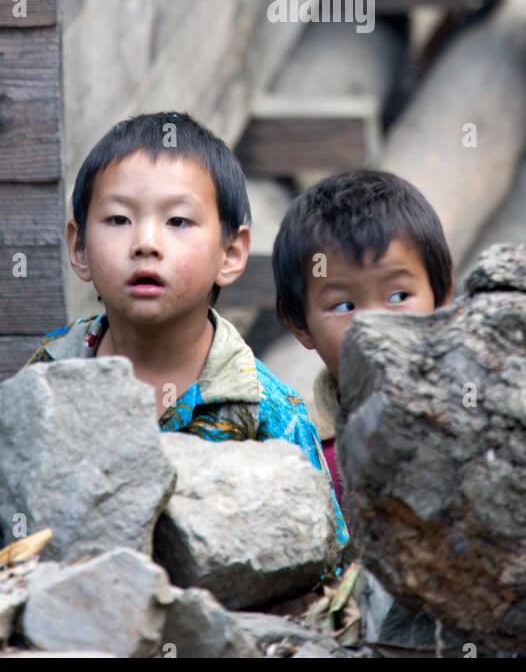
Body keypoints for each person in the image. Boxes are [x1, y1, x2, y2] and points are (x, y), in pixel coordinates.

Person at [25, 110, 347, 544]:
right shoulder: (50, 372)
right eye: (119, 219)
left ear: (231, 254)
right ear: (79, 248)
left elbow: (326, 551)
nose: (146, 243)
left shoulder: (264, 409)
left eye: (177, 221)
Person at [273, 168, 454, 505]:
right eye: (344, 305)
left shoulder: (476, 417)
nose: (373, 327)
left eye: (398, 297)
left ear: (442, 298)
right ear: (300, 325)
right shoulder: (299, 450)